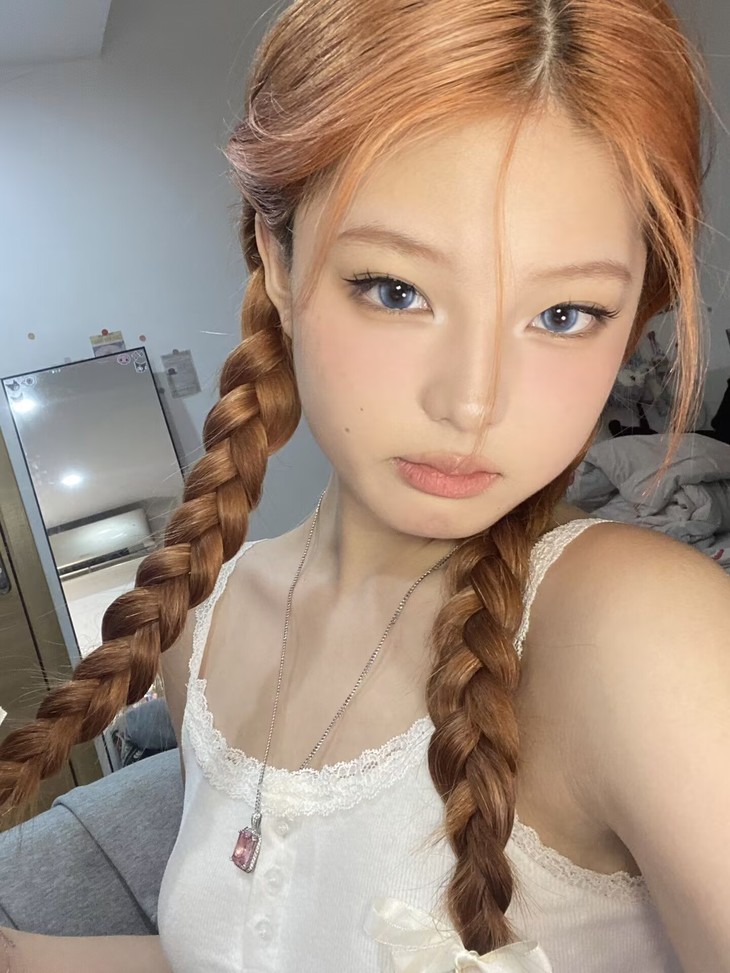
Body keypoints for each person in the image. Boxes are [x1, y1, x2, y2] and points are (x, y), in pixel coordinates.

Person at [1, 0, 729, 970]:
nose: (471, 401)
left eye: (563, 313)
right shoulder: (202, 633)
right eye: (397, 290)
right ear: (277, 257)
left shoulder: (640, 631)